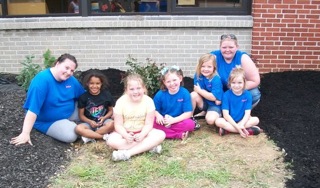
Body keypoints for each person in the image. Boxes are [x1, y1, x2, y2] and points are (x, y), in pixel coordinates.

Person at [10, 53, 85, 146]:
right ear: (57, 64)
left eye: (72, 70)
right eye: (66, 68)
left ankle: (80, 125)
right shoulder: (42, 80)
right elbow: (33, 110)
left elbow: (83, 96)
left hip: (70, 112)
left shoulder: (71, 79)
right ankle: (79, 127)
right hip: (49, 121)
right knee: (71, 135)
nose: (69, 72)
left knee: (92, 111)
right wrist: (25, 133)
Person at [106, 73, 165, 161]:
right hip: (125, 133)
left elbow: (149, 124)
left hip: (143, 132)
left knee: (161, 135)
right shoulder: (120, 102)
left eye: (138, 88)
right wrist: (125, 135)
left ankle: (127, 153)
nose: (135, 92)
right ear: (126, 90)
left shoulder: (148, 101)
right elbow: (118, 125)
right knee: (111, 141)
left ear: (144, 88)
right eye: (132, 89)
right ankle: (148, 146)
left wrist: (142, 134)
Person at [210, 34, 261, 108]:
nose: (227, 50)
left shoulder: (243, 58)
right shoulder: (213, 57)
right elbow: (202, 73)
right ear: (220, 47)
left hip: (237, 89)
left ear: (237, 47)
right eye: (224, 47)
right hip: (219, 90)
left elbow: (255, 81)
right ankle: (218, 110)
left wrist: (235, 89)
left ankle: (240, 111)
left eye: (231, 47)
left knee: (254, 93)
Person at [215, 66, 262, 138]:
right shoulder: (226, 95)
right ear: (229, 83)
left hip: (242, 120)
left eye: (239, 83)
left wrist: (242, 124)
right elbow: (226, 115)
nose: (236, 86)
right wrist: (239, 129)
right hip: (230, 121)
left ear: (244, 83)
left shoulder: (247, 94)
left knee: (256, 120)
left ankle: (228, 130)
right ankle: (247, 131)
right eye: (233, 83)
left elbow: (247, 113)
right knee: (218, 121)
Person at [153, 65, 195, 140]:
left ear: (180, 78)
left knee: (190, 124)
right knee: (152, 121)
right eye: (168, 81)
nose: (172, 83)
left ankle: (165, 132)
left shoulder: (185, 93)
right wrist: (159, 116)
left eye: (174, 80)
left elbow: (188, 113)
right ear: (164, 82)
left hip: (178, 120)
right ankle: (177, 135)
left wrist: (173, 120)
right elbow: (154, 110)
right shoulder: (160, 94)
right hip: (164, 120)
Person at [75, 70, 115, 144]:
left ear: (101, 84)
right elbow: (81, 116)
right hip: (89, 123)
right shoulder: (83, 97)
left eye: (97, 83)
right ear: (87, 83)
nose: (94, 86)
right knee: (78, 128)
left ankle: (89, 136)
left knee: (112, 124)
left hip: (103, 123)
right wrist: (90, 121)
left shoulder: (106, 95)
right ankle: (103, 137)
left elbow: (110, 111)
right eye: (91, 83)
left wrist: (104, 118)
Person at [191, 53, 223, 126]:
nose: (206, 69)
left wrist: (200, 91)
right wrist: (206, 94)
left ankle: (219, 114)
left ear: (214, 67)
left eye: (209, 67)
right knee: (193, 95)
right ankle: (190, 117)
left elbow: (213, 97)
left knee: (210, 120)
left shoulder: (216, 79)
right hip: (204, 102)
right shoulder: (198, 75)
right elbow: (196, 90)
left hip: (215, 105)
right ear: (199, 66)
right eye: (203, 66)